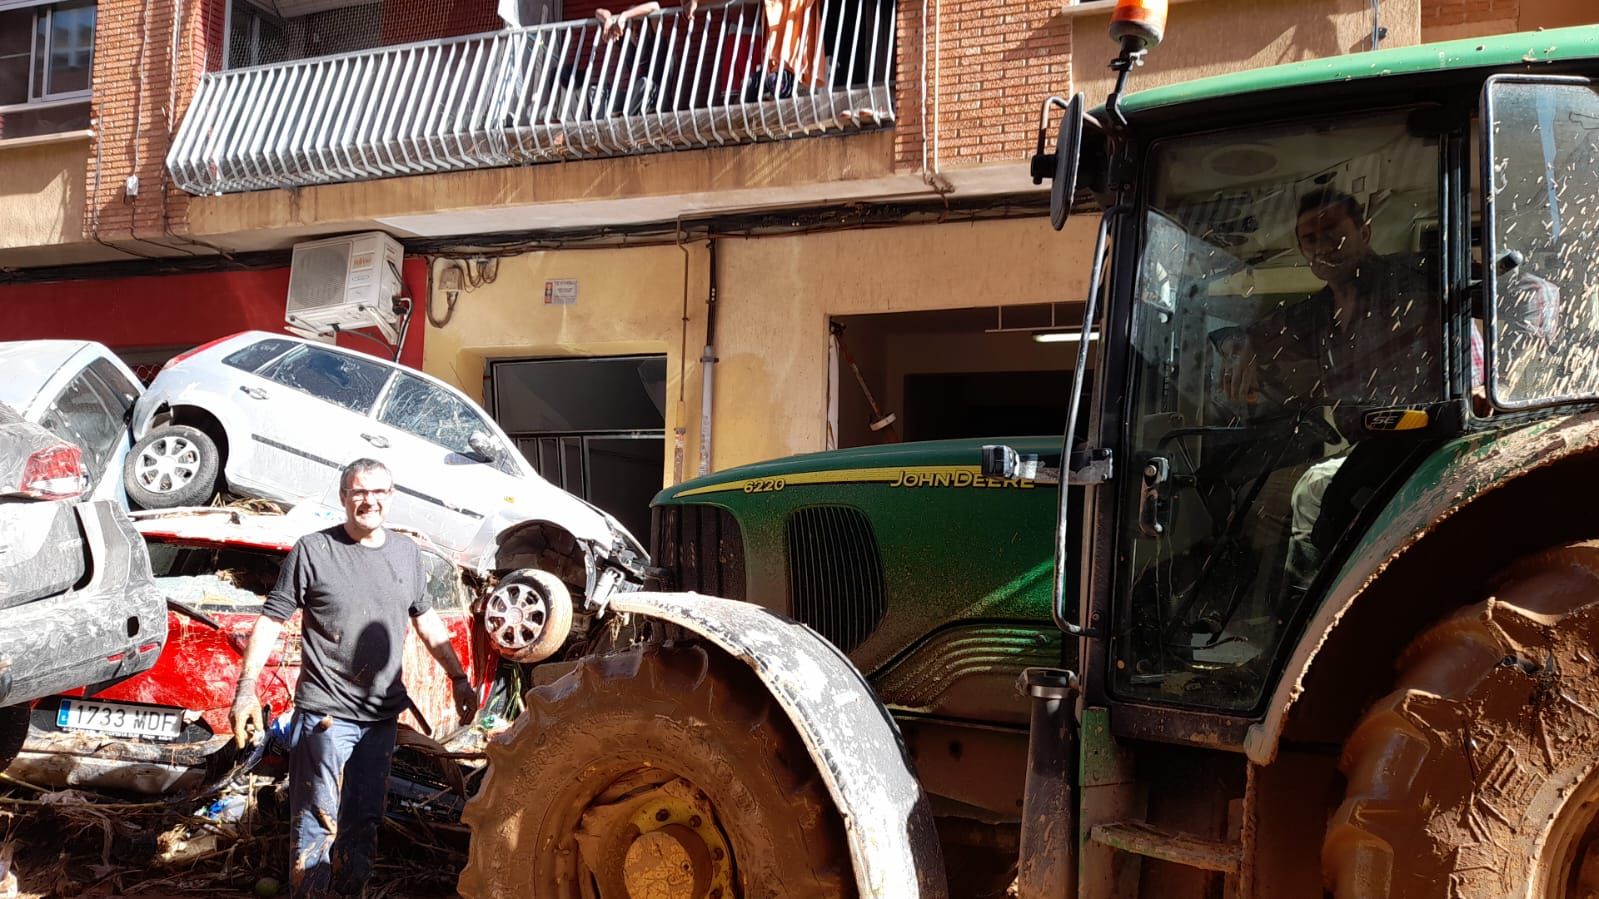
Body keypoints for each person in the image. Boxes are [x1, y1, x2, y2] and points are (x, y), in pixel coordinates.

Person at [229, 459, 479, 898]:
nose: (370, 501)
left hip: (379, 719)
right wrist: (245, 689)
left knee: (364, 821)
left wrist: (458, 678)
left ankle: (349, 893)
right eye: (360, 492)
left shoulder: (406, 554)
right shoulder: (313, 550)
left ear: (391, 496)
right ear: (344, 497)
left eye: (379, 492)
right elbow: (271, 620)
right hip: (325, 715)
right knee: (314, 820)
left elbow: (427, 620)